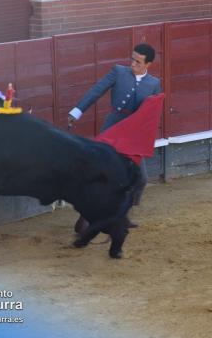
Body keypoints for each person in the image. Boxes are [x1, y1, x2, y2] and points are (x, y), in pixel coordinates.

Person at [68, 43, 162, 228]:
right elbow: (97, 90)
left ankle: (122, 214)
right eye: (132, 59)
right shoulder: (119, 72)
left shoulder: (154, 84)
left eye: (138, 61)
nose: (133, 63)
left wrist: (145, 138)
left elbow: (152, 113)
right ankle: (85, 217)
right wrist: (77, 111)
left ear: (148, 64)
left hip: (132, 136)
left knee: (140, 179)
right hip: (112, 130)